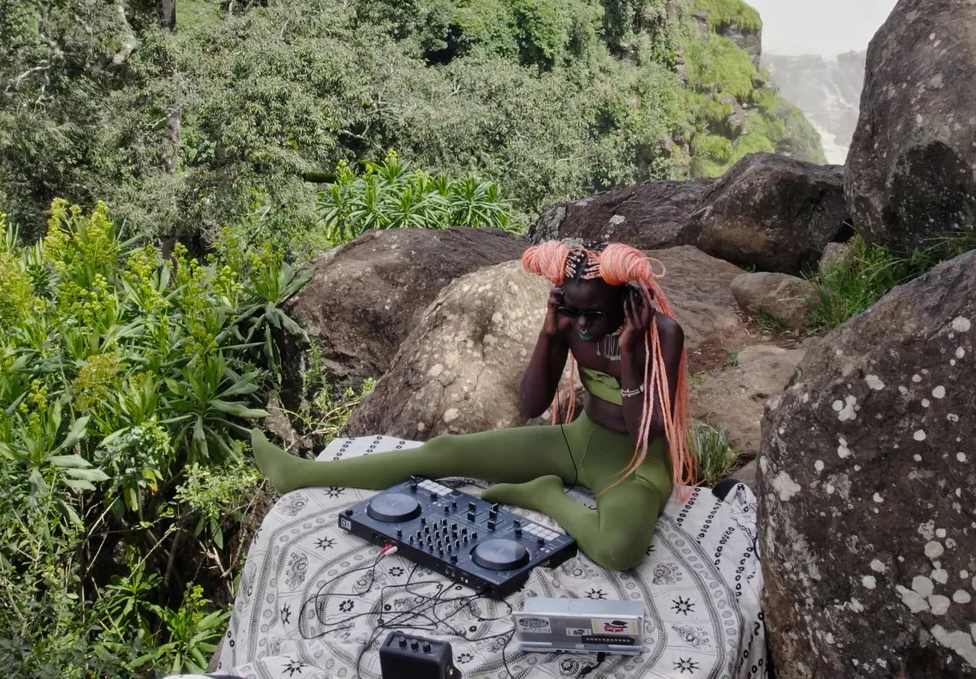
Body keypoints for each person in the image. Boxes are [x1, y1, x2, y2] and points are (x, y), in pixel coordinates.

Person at [250, 241, 693, 572]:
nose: (582, 323)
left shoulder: (662, 334)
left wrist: (632, 354)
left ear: (628, 302)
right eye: (573, 310)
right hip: (581, 439)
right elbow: (531, 403)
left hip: (637, 462)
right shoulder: (573, 324)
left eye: (593, 314)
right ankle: (304, 474)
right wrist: (549, 332)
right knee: (444, 452)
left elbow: (645, 433)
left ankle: (546, 495)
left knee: (618, 551)